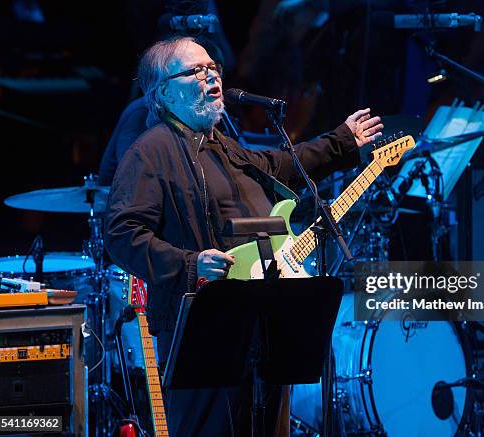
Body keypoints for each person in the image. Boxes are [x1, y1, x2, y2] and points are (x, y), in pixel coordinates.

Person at [104, 35, 383, 436]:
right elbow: (121, 234)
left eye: (212, 68)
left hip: (265, 321)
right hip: (205, 323)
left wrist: (342, 141)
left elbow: (280, 165)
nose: (210, 75)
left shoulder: (224, 147)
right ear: (165, 91)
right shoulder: (151, 151)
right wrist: (190, 262)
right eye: (195, 71)